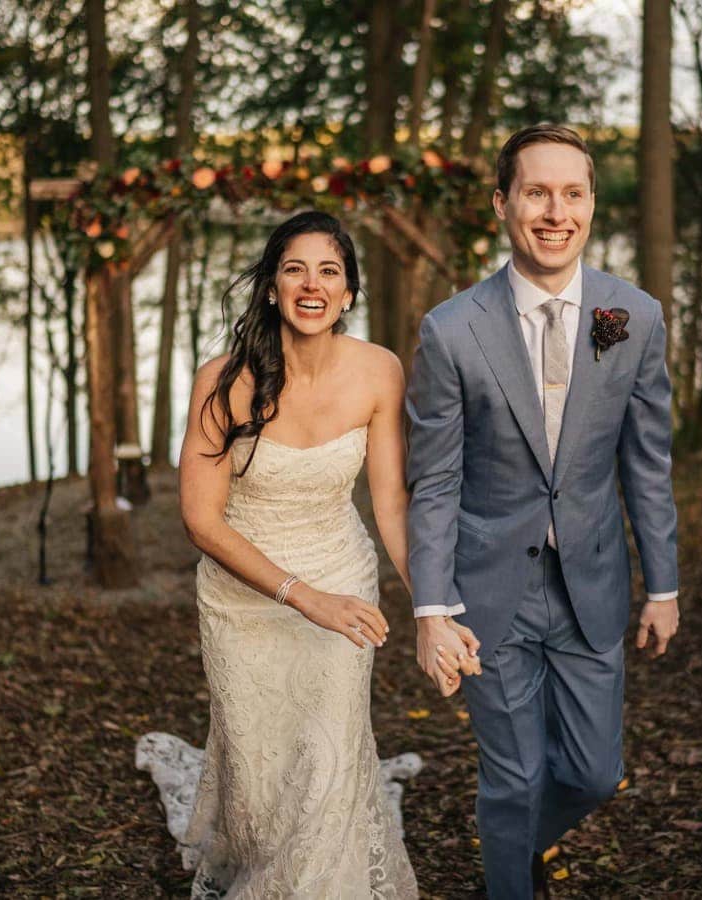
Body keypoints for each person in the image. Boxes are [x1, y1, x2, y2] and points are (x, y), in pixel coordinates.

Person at [405, 124, 680, 899]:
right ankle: (508, 880)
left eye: (572, 193)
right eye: (536, 192)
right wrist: (432, 607)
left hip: (592, 583)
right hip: (488, 589)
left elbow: (648, 461)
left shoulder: (635, 317)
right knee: (513, 776)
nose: (555, 211)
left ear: (592, 204)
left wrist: (664, 586)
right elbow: (434, 480)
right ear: (503, 204)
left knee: (594, 775)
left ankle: (510, 848)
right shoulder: (452, 330)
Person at [174, 211, 475, 896]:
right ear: (273, 286)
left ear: (348, 293)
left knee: (326, 759)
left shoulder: (379, 372)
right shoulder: (223, 379)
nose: (312, 285)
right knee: (260, 773)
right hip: (243, 598)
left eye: (329, 271)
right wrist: (301, 596)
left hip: (344, 581)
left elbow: (392, 506)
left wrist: (435, 609)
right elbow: (200, 520)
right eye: (295, 269)